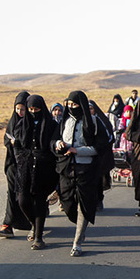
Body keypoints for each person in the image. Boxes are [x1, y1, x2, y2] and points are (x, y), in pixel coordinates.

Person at [52, 90, 111, 257]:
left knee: (83, 206)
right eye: (69, 105)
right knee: (68, 204)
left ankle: (77, 242)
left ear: (82, 105)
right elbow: (53, 139)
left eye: (75, 105)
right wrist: (57, 144)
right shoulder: (64, 121)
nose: (71, 108)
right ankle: (76, 223)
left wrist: (77, 151)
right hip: (66, 169)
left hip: (86, 170)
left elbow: (101, 146)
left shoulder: (93, 122)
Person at [13, 95, 59, 249]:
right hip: (25, 168)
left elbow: (52, 145)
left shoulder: (51, 125)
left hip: (43, 169)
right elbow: (17, 145)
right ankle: (35, 224)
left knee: (39, 202)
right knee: (23, 201)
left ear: (42, 109)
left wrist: (44, 156)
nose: (33, 112)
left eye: (36, 109)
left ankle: (38, 238)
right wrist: (20, 156)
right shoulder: (22, 124)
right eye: (31, 109)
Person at [0, 91, 32, 238]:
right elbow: (6, 139)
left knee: (25, 195)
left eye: (23, 109)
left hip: (28, 165)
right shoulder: (13, 122)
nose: (19, 112)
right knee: (12, 193)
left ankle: (34, 223)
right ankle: (8, 225)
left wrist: (19, 143)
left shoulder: (32, 123)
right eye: (17, 109)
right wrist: (11, 143)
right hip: (13, 164)